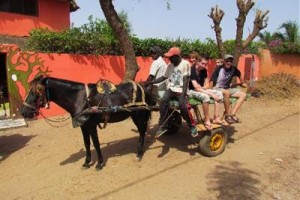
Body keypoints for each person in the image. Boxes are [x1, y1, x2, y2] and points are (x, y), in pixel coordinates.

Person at [145, 47, 198, 138]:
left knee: (182, 105)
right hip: (171, 89)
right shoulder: (170, 65)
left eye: (171, 57)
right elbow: (163, 77)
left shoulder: (185, 64)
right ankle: (163, 125)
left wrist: (182, 95)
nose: (169, 59)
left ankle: (191, 126)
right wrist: (151, 82)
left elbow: (185, 81)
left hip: (182, 89)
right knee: (163, 102)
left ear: (177, 56)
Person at [189, 56, 224, 130]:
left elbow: (207, 84)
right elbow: (196, 87)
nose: (204, 66)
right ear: (197, 62)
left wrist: (204, 88)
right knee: (206, 97)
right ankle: (207, 120)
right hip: (191, 90)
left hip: (201, 89)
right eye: (203, 63)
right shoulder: (191, 70)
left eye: (205, 64)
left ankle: (216, 117)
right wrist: (210, 94)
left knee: (219, 94)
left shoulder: (204, 70)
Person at [210, 54, 247, 124]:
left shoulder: (233, 69)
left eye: (230, 61)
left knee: (243, 95)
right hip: (217, 88)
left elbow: (239, 74)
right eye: (227, 61)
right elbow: (212, 80)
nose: (229, 63)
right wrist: (209, 91)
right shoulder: (218, 69)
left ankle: (232, 114)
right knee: (226, 92)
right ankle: (227, 115)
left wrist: (242, 82)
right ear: (224, 61)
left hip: (227, 88)